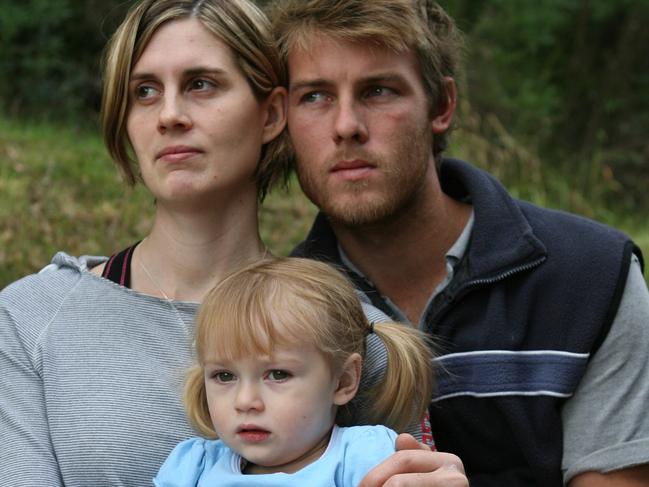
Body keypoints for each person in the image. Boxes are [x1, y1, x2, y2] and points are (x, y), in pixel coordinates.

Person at [0, 1, 468, 486]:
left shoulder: (349, 328)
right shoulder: (29, 320)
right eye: (144, 92)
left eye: (201, 84)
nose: (171, 115)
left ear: (270, 113)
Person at [269, 0, 649, 486]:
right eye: (315, 97)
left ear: (442, 106)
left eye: (379, 90)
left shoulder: (590, 276)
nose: (346, 125)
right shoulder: (278, 313)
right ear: (283, 119)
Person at [154, 257, 434, 485]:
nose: (245, 402)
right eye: (224, 376)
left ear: (343, 381)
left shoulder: (363, 461)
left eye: (277, 374)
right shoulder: (192, 470)